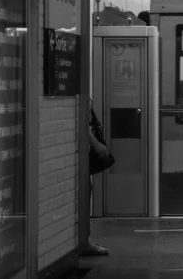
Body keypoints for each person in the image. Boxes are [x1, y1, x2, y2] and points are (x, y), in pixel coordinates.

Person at [81, 100, 110, 256]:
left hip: (82, 154)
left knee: (87, 191)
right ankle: (84, 241)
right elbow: (80, 122)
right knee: (85, 193)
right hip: (80, 156)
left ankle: (84, 240)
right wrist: (97, 144)